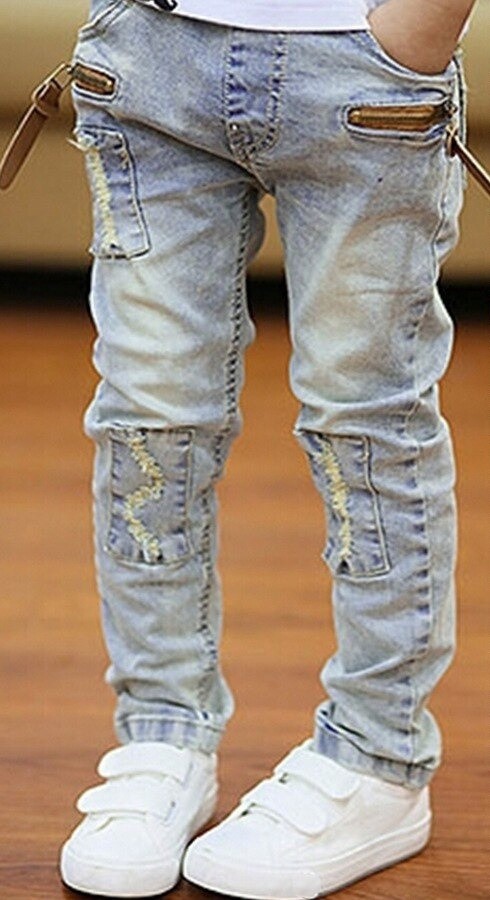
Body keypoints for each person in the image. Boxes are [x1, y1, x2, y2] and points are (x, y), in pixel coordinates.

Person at [59, 0, 476, 897]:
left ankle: (377, 758)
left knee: (365, 423)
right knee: (146, 417)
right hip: (150, 50)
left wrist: (421, 23)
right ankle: (162, 735)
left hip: (363, 65)